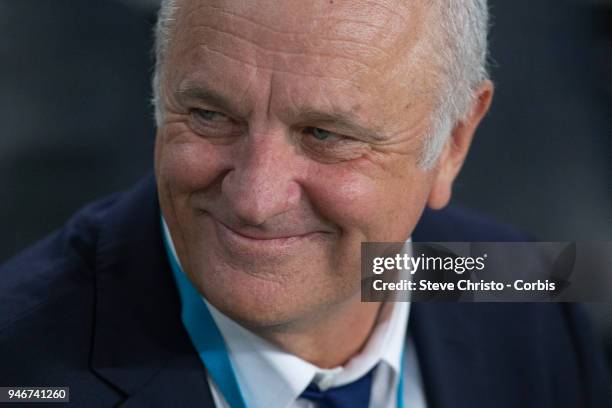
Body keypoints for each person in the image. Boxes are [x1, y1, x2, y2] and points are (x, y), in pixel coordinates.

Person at [0, 0, 609, 407]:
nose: (256, 200)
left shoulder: (530, 282)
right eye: (210, 116)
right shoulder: (21, 369)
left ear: (453, 142)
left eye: (326, 135)